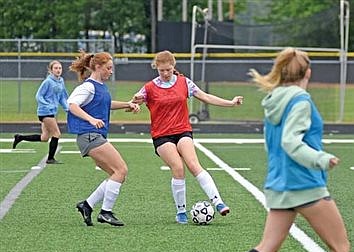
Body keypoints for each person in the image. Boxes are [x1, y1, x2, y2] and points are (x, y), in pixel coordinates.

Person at [232, 48, 351, 252]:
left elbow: (272, 144)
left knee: (266, 249)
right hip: (305, 183)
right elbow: (290, 142)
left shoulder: (272, 100)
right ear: (308, 73)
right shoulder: (301, 101)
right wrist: (321, 159)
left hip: (279, 184)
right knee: (340, 248)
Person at [132, 50, 244, 224]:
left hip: (182, 130)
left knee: (193, 164)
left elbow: (205, 97)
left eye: (168, 70)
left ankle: (218, 202)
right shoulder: (149, 87)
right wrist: (135, 102)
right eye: (161, 70)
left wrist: (230, 103)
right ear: (156, 68)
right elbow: (135, 101)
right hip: (162, 135)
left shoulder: (185, 82)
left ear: (173, 66)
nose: (165, 73)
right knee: (178, 168)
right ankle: (181, 211)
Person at [67, 50, 140, 227]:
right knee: (121, 170)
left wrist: (127, 104)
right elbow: (71, 105)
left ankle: (87, 205)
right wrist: (91, 119)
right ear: (98, 67)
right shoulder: (88, 86)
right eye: (108, 68)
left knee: (116, 175)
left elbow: (107, 104)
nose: (111, 71)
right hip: (89, 135)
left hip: (93, 135)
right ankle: (106, 212)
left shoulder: (99, 87)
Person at [12, 60, 68, 164]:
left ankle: (20, 137)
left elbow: (62, 97)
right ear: (51, 70)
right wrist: (47, 104)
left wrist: (67, 108)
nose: (58, 70)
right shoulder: (48, 82)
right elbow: (39, 96)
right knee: (57, 133)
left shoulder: (61, 81)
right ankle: (50, 159)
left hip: (52, 112)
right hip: (45, 112)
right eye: (55, 68)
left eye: (60, 68)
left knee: (45, 137)